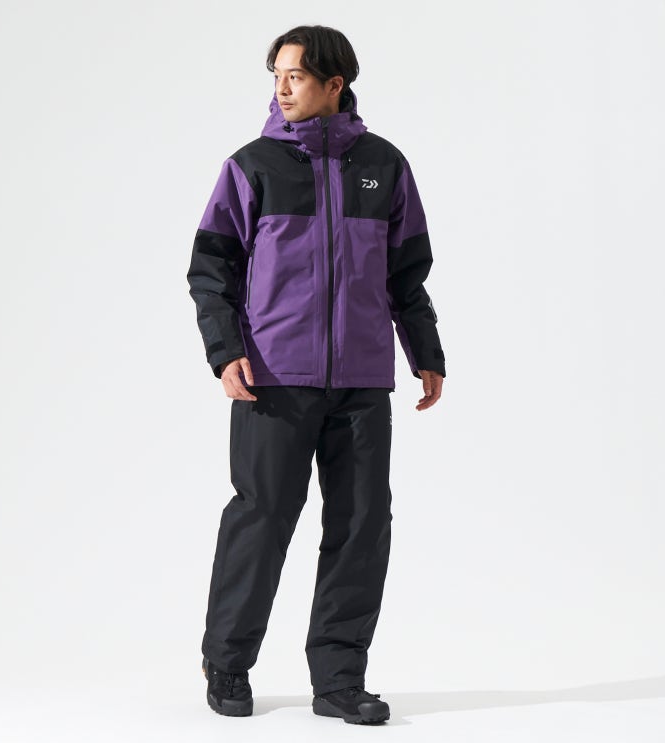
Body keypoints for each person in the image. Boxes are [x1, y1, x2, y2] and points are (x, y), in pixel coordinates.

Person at [187, 24, 446, 725]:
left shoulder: (384, 165)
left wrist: (424, 351)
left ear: (335, 84)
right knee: (262, 516)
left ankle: (338, 679)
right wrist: (225, 350)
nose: (281, 87)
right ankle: (227, 661)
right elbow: (211, 268)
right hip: (273, 377)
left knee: (361, 524)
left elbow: (406, 272)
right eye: (276, 74)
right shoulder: (253, 167)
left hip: (361, 380)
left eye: (295, 75)